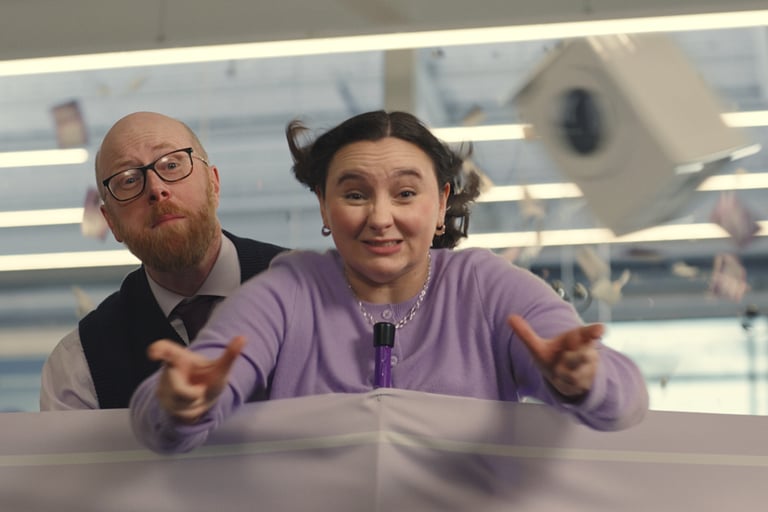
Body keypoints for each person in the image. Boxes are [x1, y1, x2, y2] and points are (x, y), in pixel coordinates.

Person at [130, 110, 649, 453]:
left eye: (405, 194)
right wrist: (183, 402)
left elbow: (624, 402)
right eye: (355, 194)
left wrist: (583, 378)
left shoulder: (486, 287)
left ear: (441, 204)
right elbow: (163, 420)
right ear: (324, 205)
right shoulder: (289, 291)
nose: (380, 218)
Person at [40, 112, 287, 410]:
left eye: (172, 165)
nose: (156, 189)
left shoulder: (314, 290)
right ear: (111, 222)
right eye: (129, 180)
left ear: (213, 184)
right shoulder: (79, 366)